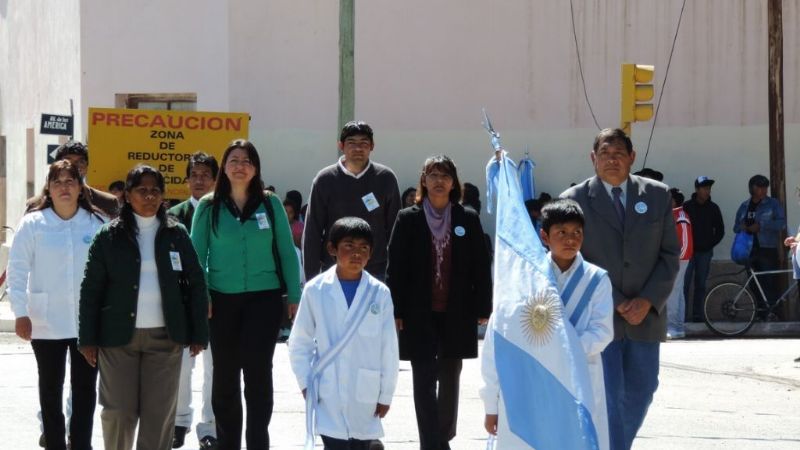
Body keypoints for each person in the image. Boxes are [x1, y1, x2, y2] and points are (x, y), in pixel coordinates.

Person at [560, 128, 679, 450]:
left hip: (646, 317)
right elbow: (572, 258)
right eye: (605, 154)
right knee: (606, 395)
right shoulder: (574, 200)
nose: (611, 160)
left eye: (618, 154)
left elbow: (670, 255)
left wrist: (648, 300)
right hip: (599, 317)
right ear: (593, 158)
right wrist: (612, 300)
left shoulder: (656, 195)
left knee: (642, 390)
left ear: (632, 158)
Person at [78, 165, 209, 450]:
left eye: (155, 191)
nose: (149, 196)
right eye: (142, 190)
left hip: (166, 339)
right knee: (118, 413)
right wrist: (87, 338)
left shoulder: (177, 233)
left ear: (163, 196)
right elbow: (91, 290)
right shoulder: (108, 236)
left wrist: (199, 332)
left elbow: (197, 282)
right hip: (117, 340)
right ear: (127, 195)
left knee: (158, 416)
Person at [190, 139, 301, 450]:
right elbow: (196, 256)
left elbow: (286, 252)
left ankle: (257, 442)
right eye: (234, 160)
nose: (240, 166)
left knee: (258, 374)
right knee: (224, 376)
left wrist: (295, 294)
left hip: (263, 301)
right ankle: (228, 443)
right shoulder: (209, 206)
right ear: (224, 167)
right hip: (221, 301)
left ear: (256, 168)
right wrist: (202, 297)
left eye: (247, 161)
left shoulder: (270, 204)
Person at [480, 198, 614, 450]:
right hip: (532, 378)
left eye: (577, 233)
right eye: (561, 232)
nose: (570, 239)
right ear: (544, 236)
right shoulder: (525, 279)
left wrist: (560, 351)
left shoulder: (597, 280)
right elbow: (499, 337)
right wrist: (491, 402)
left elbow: (602, 332)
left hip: (578, 381)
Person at [386, 155, 492, 450]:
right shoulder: (408, 218)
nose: (438, 181)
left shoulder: (466, 218)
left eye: (445, 175)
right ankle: (430, 444)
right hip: (418, 311)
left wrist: (484, 306)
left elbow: (481, 266)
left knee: (450, 378)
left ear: (453, 182)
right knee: (422, 380)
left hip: (457, 311)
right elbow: (396, 267)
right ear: (423, 180)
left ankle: (442, 437)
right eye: (432, 175)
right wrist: (395, 309)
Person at [8, 160, 105, 450]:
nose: (64, 187)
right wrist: (20, 313)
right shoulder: (33, 223)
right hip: (44, 322)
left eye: (70, 181)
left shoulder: (96, 223)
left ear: (80, 187)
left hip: (86, 323)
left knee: (85, 390)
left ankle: (81, 444)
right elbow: (17, 270)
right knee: (50, 389)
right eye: (57, 182)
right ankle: (54, 443)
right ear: (48, 189)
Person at [288, 217, 399, 449]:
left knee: (361, 441)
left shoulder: (379, 293)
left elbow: (388, 348)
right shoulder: (315, 290)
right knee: (334, 442)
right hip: (327, 390)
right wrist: (305, 382)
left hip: (366, 392)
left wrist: (385, 393)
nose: (356, 253)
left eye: (364, 248)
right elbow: (300, 342)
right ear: (332, 249)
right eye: (349, 245)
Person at [303, 120, 400, 281]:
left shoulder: (386, 178)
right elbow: (312, 231)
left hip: (377, 271)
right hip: (333, 271)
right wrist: (311, 279)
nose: (358, 148)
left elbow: (395, 232)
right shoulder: (325, 179)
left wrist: (396, 273)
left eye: (364, 143)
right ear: (341, 146)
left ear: (372, 146)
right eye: (351, 143)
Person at [167, 151, 219, 449]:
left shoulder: (222, 211)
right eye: (194, 175)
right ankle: (179, 421)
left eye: (205, 175)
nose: (199, 180)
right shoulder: (173, 215)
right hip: (184, 304)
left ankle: (209, 426)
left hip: (218, 302)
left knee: (215, 367)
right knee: (182, 366)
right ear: (186, 180)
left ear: (215, 180)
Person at [733, 174, 786, 317]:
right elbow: (735, 227)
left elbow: (781, 223)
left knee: (768, 282)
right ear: (752, 188)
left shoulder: (773, 204)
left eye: (765, 187)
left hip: (767, 249)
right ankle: (760, 313)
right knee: (753, 283)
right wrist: (742, 227)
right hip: (749, 249)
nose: (763, 190)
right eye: (760, 187)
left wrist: (761, 225)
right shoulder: (744, 206)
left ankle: (772, 313)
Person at [27, 141, 120, 218]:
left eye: (81, 162)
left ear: (87, 167)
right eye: (68, 161)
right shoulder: (36, 205)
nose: (76, 166)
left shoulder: (107, 203)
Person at [682, 176, 725, 322]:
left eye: (709, 188)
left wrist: (709, 244)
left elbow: (720, 230)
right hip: (688, 253)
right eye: (704, 188)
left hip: (705, 253)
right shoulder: (686, 207)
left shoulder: (714, 208)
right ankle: (682, 315)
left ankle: (698, 315)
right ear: (697, 189)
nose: (707, 191)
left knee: (701, 284)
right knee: (684, 284)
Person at [667, 188, 693, 339]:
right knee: (678, 293)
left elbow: (684, 241)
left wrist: (677, 258)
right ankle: (678, 326)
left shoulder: (680, 216)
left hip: (678, 260)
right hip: (679, 259)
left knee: (673, 293)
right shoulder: (675, 215)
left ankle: (672, 326)